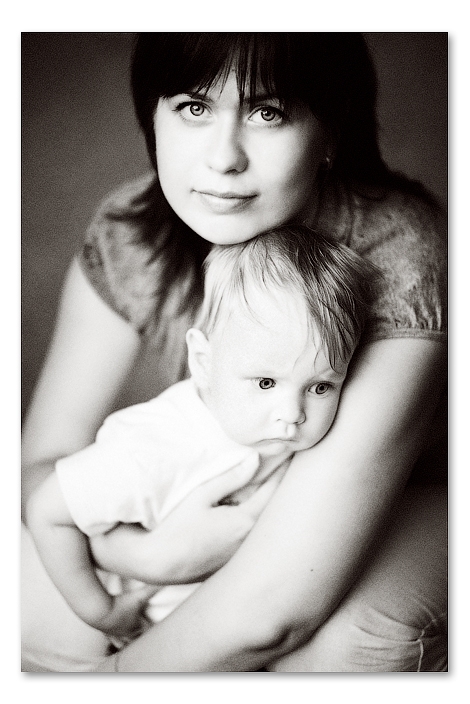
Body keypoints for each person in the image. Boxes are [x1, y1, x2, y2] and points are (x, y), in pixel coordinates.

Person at [21, 33, 447, 672]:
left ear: (331, 130)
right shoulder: (133, 231)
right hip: (205, 511)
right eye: (194, 107)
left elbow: (274, 608)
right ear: (153, 117)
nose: (224, 159)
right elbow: (38, 463)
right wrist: (139, 554)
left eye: (267, 112)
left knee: (338, 637)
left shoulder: (397, 253)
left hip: (408, 501)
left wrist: (109, 683)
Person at [26, 225, 375, 644]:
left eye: (320, 387)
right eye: (266, 383)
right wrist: (103, 613)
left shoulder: (290, 431)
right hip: (158, 635)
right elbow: (47, 510)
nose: (292, 414)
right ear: (204, 362)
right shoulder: (155, 446)